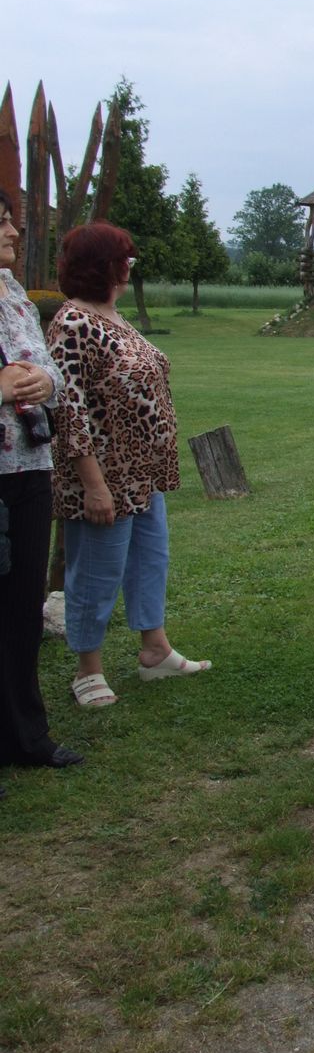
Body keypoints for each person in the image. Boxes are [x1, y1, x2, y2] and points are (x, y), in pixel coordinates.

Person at [48, 221, 210, 708]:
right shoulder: (73, 323)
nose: (130, 267)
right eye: (125, 260)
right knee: (95, 573)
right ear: (104, 266)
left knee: (149, 561)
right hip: (103, 477)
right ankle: (88, 670)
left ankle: (155, 650)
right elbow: (70, 409)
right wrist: (93, 485)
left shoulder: (112, 316)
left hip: (141, 475)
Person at [0, 190, 84, 790]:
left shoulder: (13, 294)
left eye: (11, 221)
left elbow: (46, 369)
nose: (13, 232)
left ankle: (25, 736)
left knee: (21, 606)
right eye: (2, 223)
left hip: (28, 466)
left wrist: (43, 383)